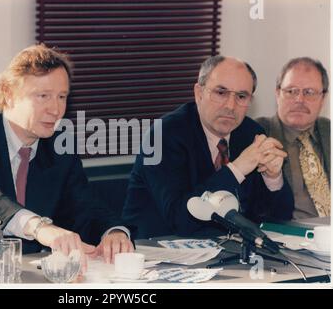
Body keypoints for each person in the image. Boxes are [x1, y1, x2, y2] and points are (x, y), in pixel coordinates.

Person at [0, 44, 133, 269]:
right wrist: (39, 228)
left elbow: (83, 207)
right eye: (43, 96)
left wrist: (113, 232)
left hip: (17, 272)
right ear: (9, 95)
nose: (56, 109)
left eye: (61, 96)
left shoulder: (59, 147)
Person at [122, 56, 294, 239]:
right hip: (158, 250)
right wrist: (237, 169)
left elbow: (281, 218)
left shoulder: (252, 133)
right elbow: (180, 218)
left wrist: (273, 178)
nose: (230, 106)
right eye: (221, 93)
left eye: (241, 96)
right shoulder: (162, 135)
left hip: (226, 251)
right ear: (199, 93)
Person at [256, 57, 330, 219]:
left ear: (323, 98)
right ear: (277, 93)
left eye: (309, 92)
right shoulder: (258, 133)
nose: (299, 100)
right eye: (291, 91)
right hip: (289, 238)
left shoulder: (328, 130)